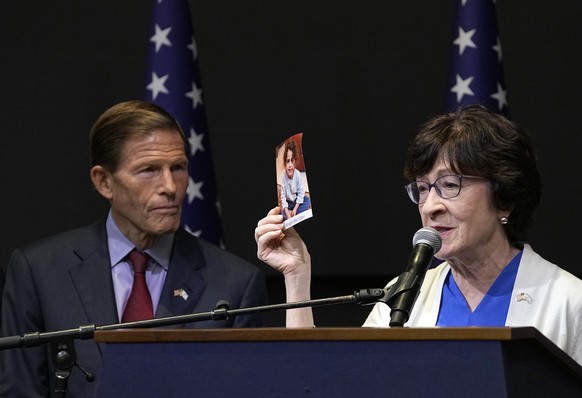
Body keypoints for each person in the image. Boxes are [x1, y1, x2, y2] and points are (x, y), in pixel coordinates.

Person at [255, 105, 582, 365]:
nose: (431, 206)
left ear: (505, 196)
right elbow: (323, 385)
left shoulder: (569, 301)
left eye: (450, 185)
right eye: (423, 189)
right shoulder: (401, 295)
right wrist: (297, 277)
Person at [0, 100, 268, 397]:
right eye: (149, 170)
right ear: (104, 182)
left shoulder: (235, 285)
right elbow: (19, 390)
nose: (170, 185)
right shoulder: (39, 271)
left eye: (177, 167)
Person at [280, 139, 310, 220]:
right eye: (287, 161)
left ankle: (295, 213)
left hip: (296, 202)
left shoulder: (298, 174)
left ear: (295, 161)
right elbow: (282, 197)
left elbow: (301, 192)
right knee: (282, 212)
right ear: (285, 163)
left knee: (307, 201)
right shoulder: (283, 178)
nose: (290, 165)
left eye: (292, 161)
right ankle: (290, 213)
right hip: (289, 203)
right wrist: (287, 212)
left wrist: (295, 209)